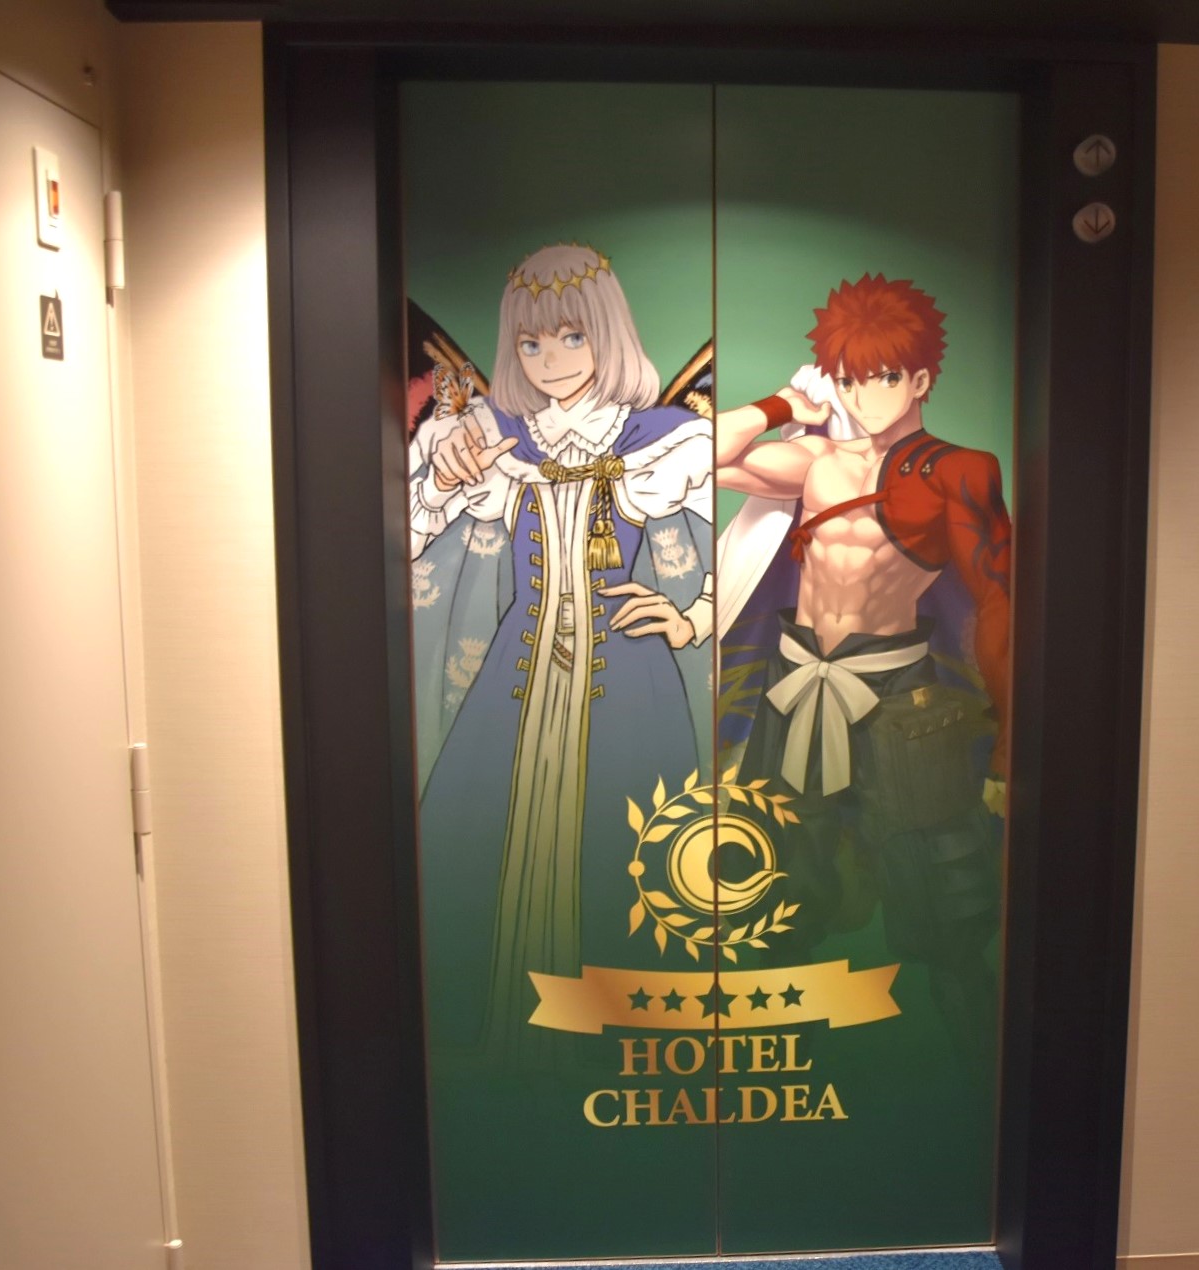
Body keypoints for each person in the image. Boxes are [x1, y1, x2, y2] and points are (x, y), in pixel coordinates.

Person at [410, 243, 714, 1057]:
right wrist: (443, 481)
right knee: (477, 849)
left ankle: (618, 1047)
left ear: (608, 334)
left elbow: (758, 540)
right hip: (515, 684)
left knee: (633, 859)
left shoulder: (667, 439)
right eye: (531, 343)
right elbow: (407, 537)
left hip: (632, 687)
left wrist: (692, 617)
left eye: (572, 336)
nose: (551, 360)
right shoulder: (491, 436)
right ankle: (497, 1046)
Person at [713, 273, 1011, 1061]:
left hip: (896, 692)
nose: (863, 395)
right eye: (849, 378)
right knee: (778, 872)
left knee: (940, 885)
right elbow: (697, 458)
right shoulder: (816, 461)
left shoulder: (958, 471)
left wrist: (1008, 740)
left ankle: (974, 1064)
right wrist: (783, 405)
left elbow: (999, 599)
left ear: (920, 379)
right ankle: (773, 1061)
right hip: (797, 681)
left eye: (882, 376)